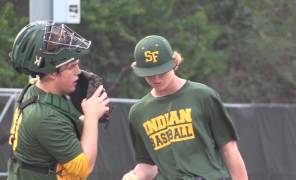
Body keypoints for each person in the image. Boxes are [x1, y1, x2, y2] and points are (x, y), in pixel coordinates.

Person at [122, 35, 248, 180]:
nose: (156, 79)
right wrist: (134, 175)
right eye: (149, 74)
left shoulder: (202, 96)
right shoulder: (138, 113)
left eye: (161, 71)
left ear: (174, 63)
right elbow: (148, 164)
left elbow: (229, 149)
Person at [7, 21, 109, 180]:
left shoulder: (35, 87)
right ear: (51, 73)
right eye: (71, 66)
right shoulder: (45, 117)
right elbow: (84, 168)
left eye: (78, 64)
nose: (79, 72)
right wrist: (91, 118)